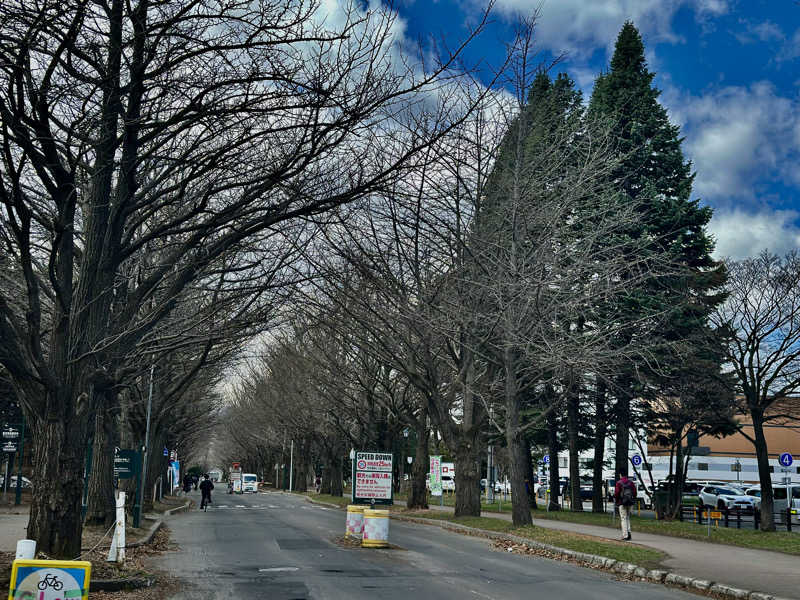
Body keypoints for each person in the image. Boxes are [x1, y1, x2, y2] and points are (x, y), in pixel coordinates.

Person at [614, 472, 637, 541]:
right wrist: (632, 499)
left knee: (623, 518)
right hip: (629, 502)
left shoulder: (619, 483)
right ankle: (629, 533)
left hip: (622, 502)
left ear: (620, 474)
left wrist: (617, 501)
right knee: (627, 518)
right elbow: (634, 492)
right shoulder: (631, 482)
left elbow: (617, 493)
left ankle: (625, 535)